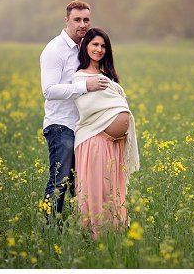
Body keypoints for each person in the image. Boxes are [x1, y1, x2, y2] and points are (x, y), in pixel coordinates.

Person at [39, 0, 109, 220]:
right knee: (59, 180)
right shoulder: (55, 50)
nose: (82, 24)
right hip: (61, 125)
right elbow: (48, 90)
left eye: (86, 19)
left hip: (82, 127)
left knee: (81, 183)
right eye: (77, 19)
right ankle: (50, 230)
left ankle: (79, 229)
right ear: (66, 20)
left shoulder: (85, 48)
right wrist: (83, 86)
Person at [73, 27, 140, 234]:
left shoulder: (107, 77)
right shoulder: (80, 78)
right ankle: (96, 235)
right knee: (97, 191)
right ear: (86, 46)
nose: (99, 49)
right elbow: (87, 108)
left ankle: (114, 233)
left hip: (114, 144)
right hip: (95, 139)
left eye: (103, 46)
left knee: (112, 191)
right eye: (95, 44)